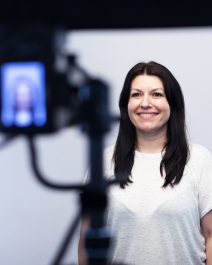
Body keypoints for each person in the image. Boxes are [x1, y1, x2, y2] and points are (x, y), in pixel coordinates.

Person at [78, 61, 212, 265]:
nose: (145, 103)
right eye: (136, 94)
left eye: (157, 94)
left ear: (172, 103)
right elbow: (87, 241)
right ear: (125, 105)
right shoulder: (103, 162)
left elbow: (211, 236)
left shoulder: (199, 159)